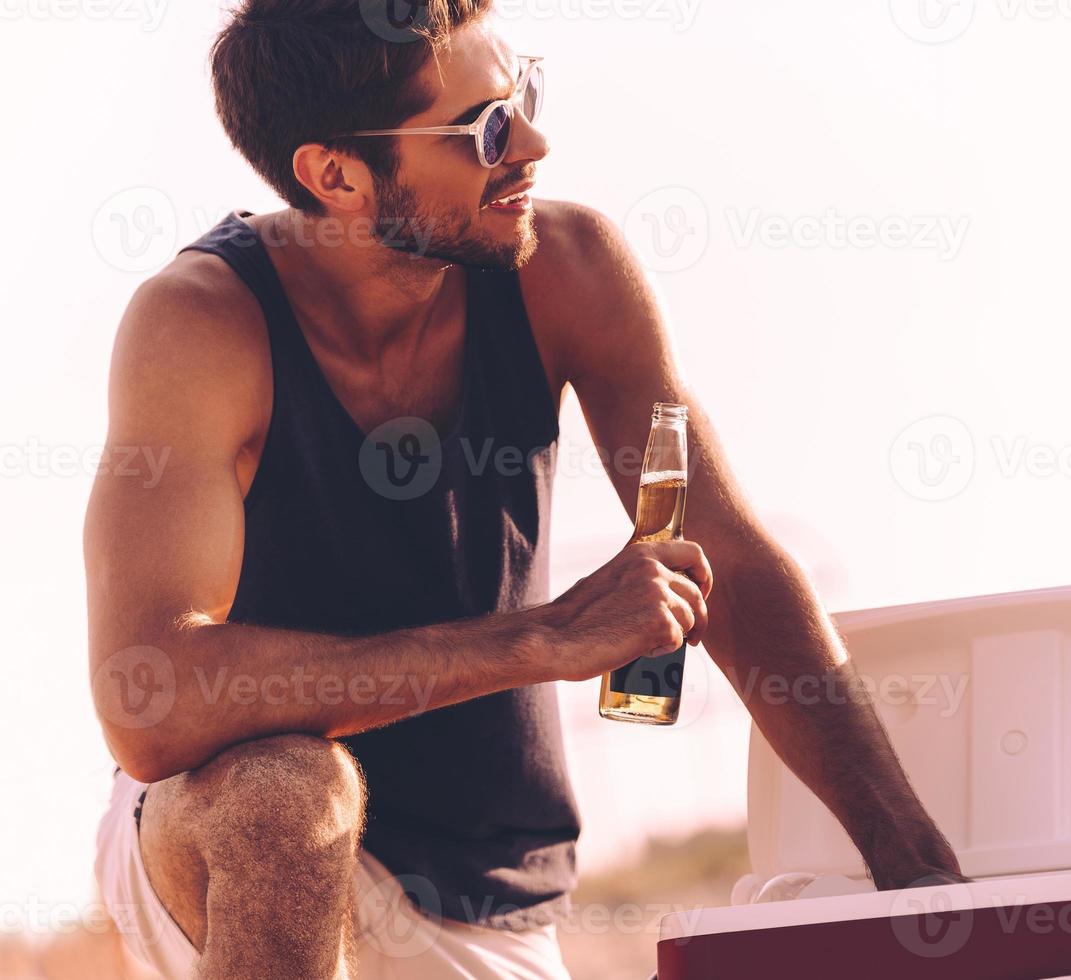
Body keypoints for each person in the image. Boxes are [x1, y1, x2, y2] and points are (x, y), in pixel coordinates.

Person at [84, 2, 962, 977]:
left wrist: (922, 878)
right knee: (289, 792)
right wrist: (537, 639)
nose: (535, 144)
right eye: (488, 130)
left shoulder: (569, 271)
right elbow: (149, 695)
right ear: (334, 174)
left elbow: (735, 569)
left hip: (488, 904)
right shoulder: (202, 325)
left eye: (525, 95)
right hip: (230, 851)